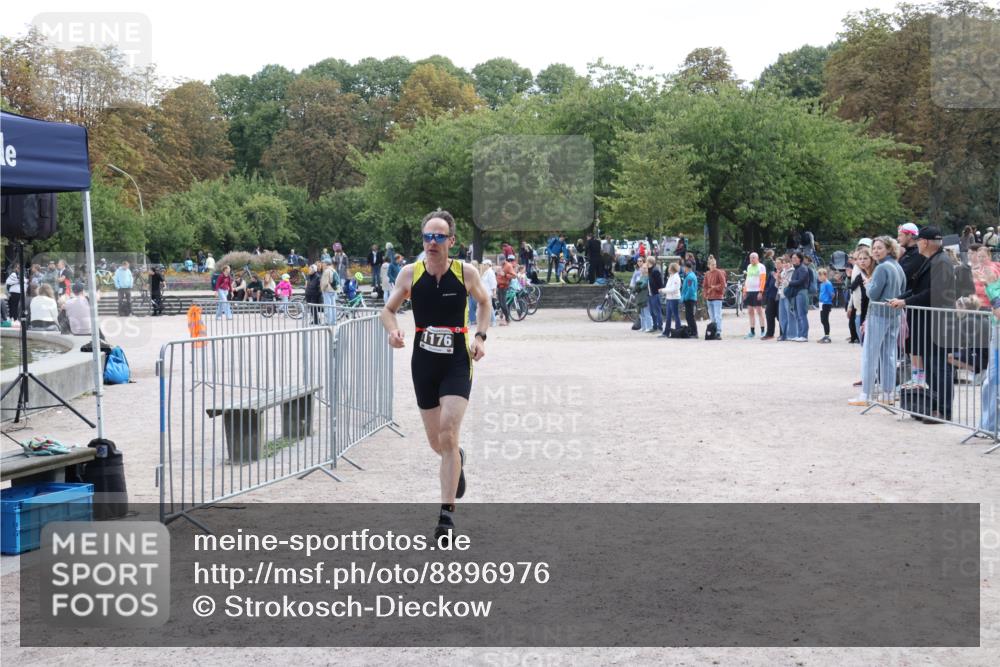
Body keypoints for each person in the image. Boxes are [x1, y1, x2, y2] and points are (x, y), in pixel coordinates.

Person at [380, 210, 491, 542]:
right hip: (424, 363)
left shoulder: (465, 273)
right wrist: (393, 332)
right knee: (438, 444)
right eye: (428, 236)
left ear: (451, 242)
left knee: (449, 429)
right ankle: (457, 459)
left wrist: (480, 337)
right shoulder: (409, 274)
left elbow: (484, 304)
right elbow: (387, 311)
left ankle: (446, 516)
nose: (432, 242)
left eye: (439, 236)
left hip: (457, 360)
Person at [889, 226, 958, 423]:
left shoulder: (941, 262)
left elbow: (933, 292)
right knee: (931, 367)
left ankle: (943, 411)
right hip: (929, 324)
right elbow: (918, 288)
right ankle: (934, 406)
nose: (917, 243)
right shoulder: (933, 260)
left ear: (926, 242)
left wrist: (905, 302)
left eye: (919, 240)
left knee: (939, 368)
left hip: (937, 324)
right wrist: (901, 298)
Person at [849, 236, 906, 405]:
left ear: (888, 249)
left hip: (879, 314)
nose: (875, 251)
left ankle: (865, 394)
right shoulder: (897, 266)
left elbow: (873, 294)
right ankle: (888, 393)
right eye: (874, 248)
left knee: (870, 355)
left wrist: (868, 284)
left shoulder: (881, 268)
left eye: (879, 248)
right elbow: (902, 290)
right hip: (894, 315)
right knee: (888, 355)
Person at [786, 252, 811, 341]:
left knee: (802, 314)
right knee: (797, 314)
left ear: (800, 259)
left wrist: (789, 282)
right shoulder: (796, 268)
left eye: (795, 258)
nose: (793, 259)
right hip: (796, 293)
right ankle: (800, 334)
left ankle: (804, 335)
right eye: (792, 258)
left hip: (801, 292)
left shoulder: (803, 268)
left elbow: (800, 281)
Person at [742, 252, 766, 338]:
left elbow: (763, 280)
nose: (751, 259)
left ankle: (763, 330)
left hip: (757, 291)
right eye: (750, 258)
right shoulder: (749, 267)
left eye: (753, 257)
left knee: (759, 311)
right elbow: (747, 279)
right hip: (749, 291)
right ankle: (752, 331)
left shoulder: (761, 267)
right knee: (750, 311)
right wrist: (744, 290)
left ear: (757, 258)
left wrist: (761, 291)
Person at [703, 255, 726, 339]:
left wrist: (715, 287)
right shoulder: (707, 274)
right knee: (712, 316)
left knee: (717, 315)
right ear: (708, 265)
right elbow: (705, 285)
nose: (714, 266)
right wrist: (705, 294)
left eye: (715, 264)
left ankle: (718, 331)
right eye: (712, 265)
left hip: (717, 297)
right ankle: (713, 330)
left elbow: (723, 284)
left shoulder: (719, 272)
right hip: (710, 297)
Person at [659, 262, 682, 336]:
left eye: (669, 268)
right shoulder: (671, 276)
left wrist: (663, 290)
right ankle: (666, 332)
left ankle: (678, 330)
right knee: (668, 316)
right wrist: (663, 289)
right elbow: (668, 287)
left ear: (672, 269)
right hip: (669, 298)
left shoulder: (676, 277)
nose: (668, 269)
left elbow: (673, 289)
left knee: (676, 315)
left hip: (674, 298)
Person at [496, 255, 517, 326]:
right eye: (499, 260)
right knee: (501, 304)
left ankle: (507, 319)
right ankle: (505, 319)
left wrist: (505, 275)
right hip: (498, 286)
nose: (500, 262)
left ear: (504, 259)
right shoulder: (500, 266)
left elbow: (514, 276)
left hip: (504, 286)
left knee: (503, 304)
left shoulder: (508, 265)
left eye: (501, 260)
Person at [681, 261, 699, 337]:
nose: (683, 269)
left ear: (686, 267)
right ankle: (692, 331)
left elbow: (690, 289)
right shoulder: (689, 275)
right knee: (688, 316)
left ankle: (694, 332)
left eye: (684, 267)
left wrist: (685, 298)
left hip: (689, 299)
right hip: (690, 298)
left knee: (690, 316)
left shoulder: (690, 277)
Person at [646, 257, 664, 333]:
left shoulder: (655, 270)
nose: (646, 263)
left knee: (657, 310)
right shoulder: (650, 270)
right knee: (652, 311)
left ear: (649, 262)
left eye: (646, 261)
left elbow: (660, 283)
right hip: (650, 294)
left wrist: (658, 290)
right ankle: (654, 326)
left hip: (655, 294)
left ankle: (660, 327)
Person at [817, 268, 834, 343]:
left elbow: (832, 294)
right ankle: (825, 334)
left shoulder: (828, 283)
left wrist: (828, 300)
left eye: (821, 275)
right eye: (819, 275)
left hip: (826, 304)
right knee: (822, 320)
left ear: (825, 275)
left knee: (825, 319)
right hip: (822, 304)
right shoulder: (822, 284)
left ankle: (827, 336)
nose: (820, 277)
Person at [321, 260, 340, 324]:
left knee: (328, 307)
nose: (322, 264)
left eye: (323, 263)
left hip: (327, 290)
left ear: (326, 264)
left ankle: (328, 322)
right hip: (334, 290)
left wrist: (322, 289)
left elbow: (325, 283)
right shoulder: (333, 270)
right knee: (333, 306)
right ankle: (333, 321)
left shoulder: (326, 271)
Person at [635, 262, 651, 332]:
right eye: (643, 268)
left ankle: (649, 327)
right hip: (640, 296)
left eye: (645, 268)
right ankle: (643, 327)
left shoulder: (648, 277)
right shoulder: (641, 276)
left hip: (645, 296)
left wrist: (639, 286)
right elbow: (638, 286)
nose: (643, 269)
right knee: (641, 313)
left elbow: (643, 285)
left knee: (646, 312)